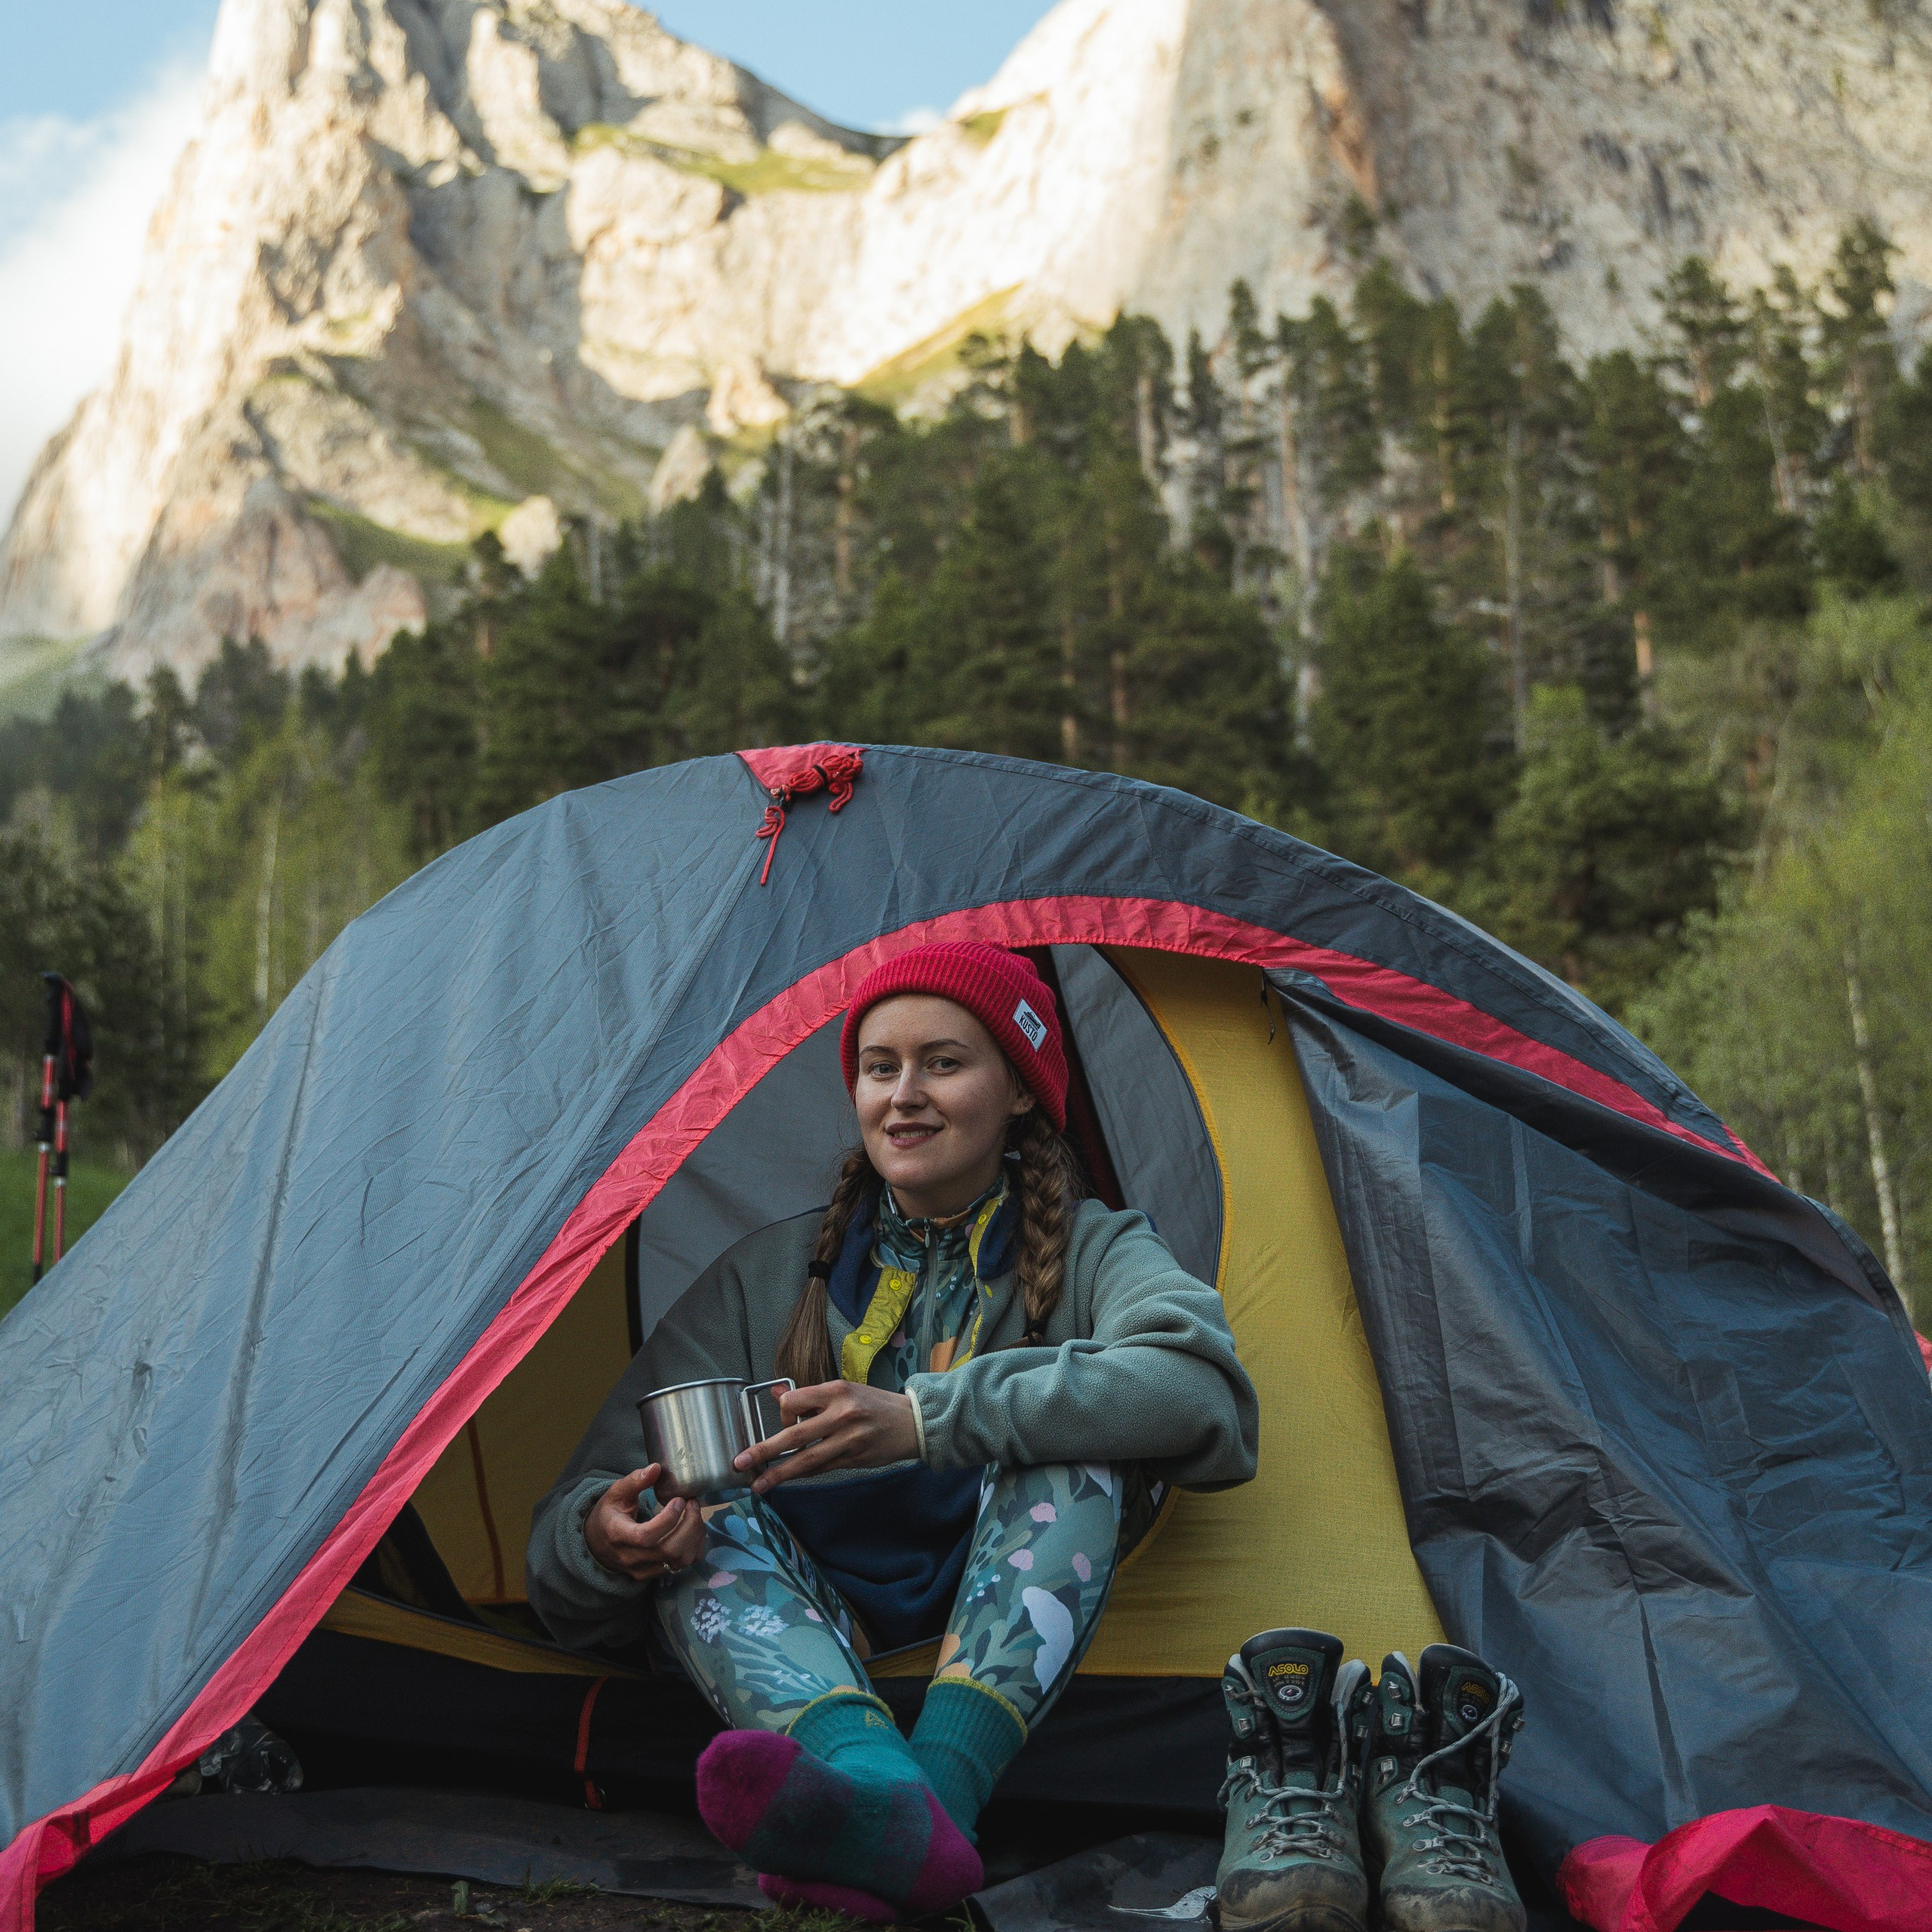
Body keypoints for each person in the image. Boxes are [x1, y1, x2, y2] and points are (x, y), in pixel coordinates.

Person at [528, 942, 1260, 1919]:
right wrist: (606, 1541)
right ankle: (886, 1795)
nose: (904, 1096)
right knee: (700, 1510)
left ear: (1022, 1094)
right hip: (816, 1639)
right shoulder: (766, 1276)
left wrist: (925, 1420)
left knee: (1076, 1452)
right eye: (881, 1067)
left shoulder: (1100, 1249)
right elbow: (568, 1528)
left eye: (944, 1063)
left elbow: (1204, 1393)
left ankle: (918, 1808)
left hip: (1009, 1634)